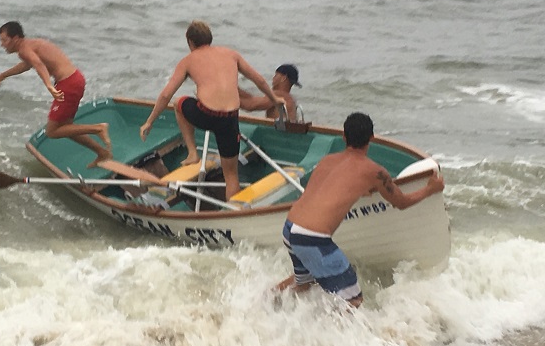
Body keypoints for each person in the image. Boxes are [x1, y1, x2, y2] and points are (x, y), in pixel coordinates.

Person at [278, 112, 445, 308]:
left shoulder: (327, 160)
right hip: (311, 237)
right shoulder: (374, 171)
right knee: (353, 301)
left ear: (344, 137)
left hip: (290, 229)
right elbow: (401, 202)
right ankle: (331, 338)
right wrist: (430, 189)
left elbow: (331, 189)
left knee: (303, 283)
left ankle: (260, 304)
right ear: (371, 139)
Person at [139, 20, 286, 200]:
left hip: (207, 115)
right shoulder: (231, 54)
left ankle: (193, 153)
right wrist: (274, 99)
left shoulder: (188, 61)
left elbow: (165, 96)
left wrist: (149, 121)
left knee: (179, 103)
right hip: (230, 119)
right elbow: (260, 81)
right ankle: (235, 212)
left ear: (190, 43)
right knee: (231, 175)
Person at [0, 21, 112, 168]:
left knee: (52, 131)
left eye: (4, 40)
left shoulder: (24, 49)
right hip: (75, 79)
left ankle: (98, 128)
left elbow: (38, 64)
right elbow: (27, 64)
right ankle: (102, 153)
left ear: (15, 38)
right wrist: (2, 76)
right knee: (66, 127)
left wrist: (48, 85)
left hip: (68, 84)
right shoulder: (30, 45)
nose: (2, 45)